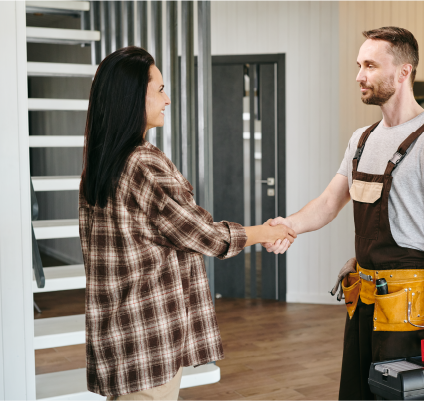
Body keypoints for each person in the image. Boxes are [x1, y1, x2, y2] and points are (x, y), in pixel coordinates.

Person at [79, 46, 296, 400]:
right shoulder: (142, 164)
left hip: (118, 335)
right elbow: (203, 235)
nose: (167, 99)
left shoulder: (100, 162)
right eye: (160, 89)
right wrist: (264, 233)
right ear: (135, 95)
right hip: (149, 338)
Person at [264, 27, 424, 400]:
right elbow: (329, 202)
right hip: (365, 297)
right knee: (357, 393)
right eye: (359, 65)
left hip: (409, 307)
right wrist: (289, 226)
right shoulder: (362, 138)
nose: (359, 75)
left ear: (404, 72)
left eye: (370, 65)